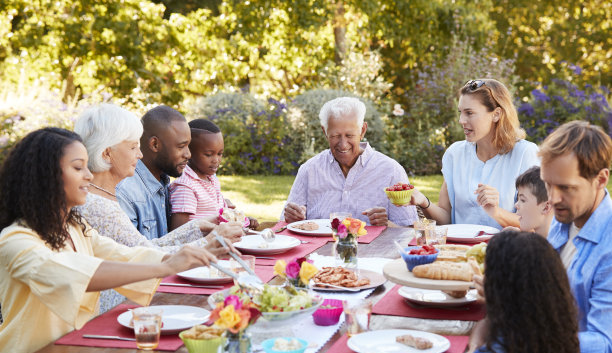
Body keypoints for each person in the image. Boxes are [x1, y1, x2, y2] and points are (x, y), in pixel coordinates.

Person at [0, 128, 229, 353]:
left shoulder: (75, 228)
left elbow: (128, 255)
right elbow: (75, 274)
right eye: (78, 168)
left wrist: (193, 253)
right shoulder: (16, 240)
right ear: (45, 176)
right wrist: (169, 265)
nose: (89, 175)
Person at [74, 105, 243, 312]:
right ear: (107, 153)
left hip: (135, 298)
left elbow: (143, 248)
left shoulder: (101, 194)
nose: (140, 154)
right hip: (119, 308)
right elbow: (143, 255)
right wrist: (206, 243)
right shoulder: (101, 205)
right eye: (133, 147)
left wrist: (198, 227)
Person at [439, 230, 580, 353]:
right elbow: (485, 323)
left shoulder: (509, 347)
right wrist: (473, 351)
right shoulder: (542, 331)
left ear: (504, 289)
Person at [410, 79, 539, 229]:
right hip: (457, 250)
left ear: (496, 114)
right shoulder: (455, 154)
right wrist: (423, 201)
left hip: (504, 250)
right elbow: (446, 219)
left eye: (469, 113)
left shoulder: (525, 154)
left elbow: (535, 222)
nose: (461, 120)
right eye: (461, 113)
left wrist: (496, 212)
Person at [540, 120, 612, 353]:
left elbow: (605, 349)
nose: (552, 198)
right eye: (548, 184)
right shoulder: (566, 221)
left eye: (566, 188)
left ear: (600, 179)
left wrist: (528, 342)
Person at [282, 96, 418, 226]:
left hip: (374, 250)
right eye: (335, 136)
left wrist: (386, 224)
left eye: (349, 135)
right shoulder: (309, 169)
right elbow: (285, 223)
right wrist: (292, 217)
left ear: (362, 130)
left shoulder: (390, 170)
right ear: (325, 132)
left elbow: (409, 232)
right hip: (319, 250)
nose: (343, 144)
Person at [116, 105, 192, 239]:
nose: (188, 154)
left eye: (188, 146)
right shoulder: (126, 193)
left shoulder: (165, 182)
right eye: (181, 146)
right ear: (155, 144)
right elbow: (133, 255)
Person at [169, 118, 259, 230]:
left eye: (220, 153)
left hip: (219, 239)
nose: (216, 160)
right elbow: (178, 233)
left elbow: (220, 215)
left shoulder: (211, 179)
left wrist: (241, 220)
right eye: (208, 154)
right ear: (189, 152)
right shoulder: (186, 187)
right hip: (202, 246)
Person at [514, 166, 553, 237]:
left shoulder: (557, 247)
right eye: (518, 199)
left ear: (546, 207)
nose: (516, 205)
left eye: (523, 200)